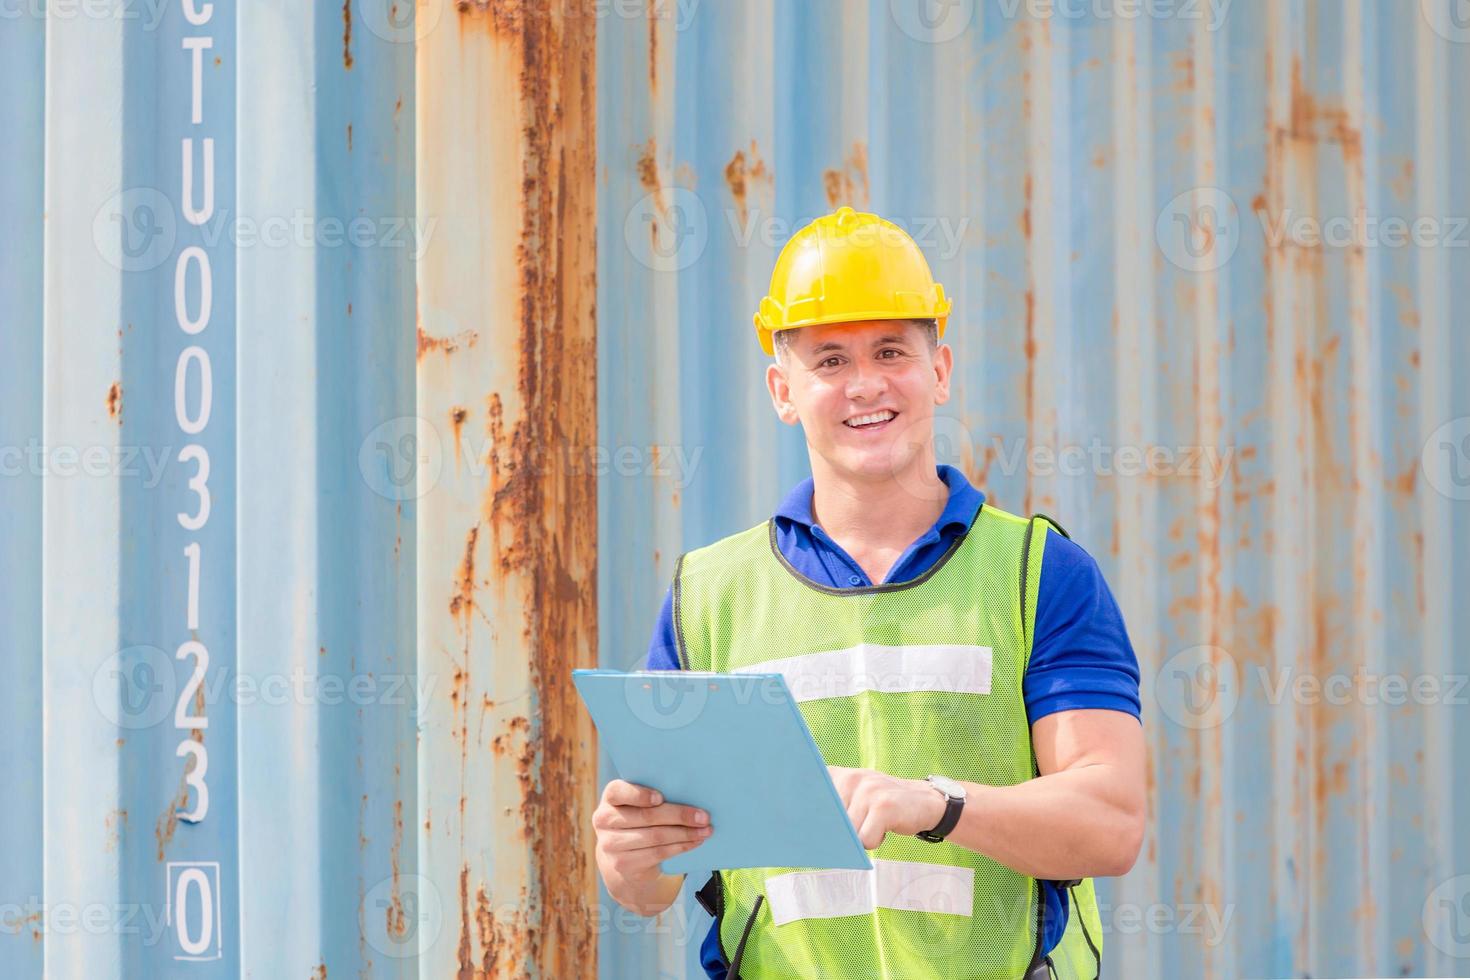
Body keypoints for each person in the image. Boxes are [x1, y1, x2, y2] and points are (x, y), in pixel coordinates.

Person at [593, 207, 1145, 979]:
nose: (866, 385)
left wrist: (935, 804)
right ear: (783, 390)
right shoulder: (708, 594)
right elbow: (650, 885)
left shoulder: (1039, 573)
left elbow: (1110, 822)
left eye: (891, 351)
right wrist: (630, 855)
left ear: (940, 371)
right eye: (829, 361)